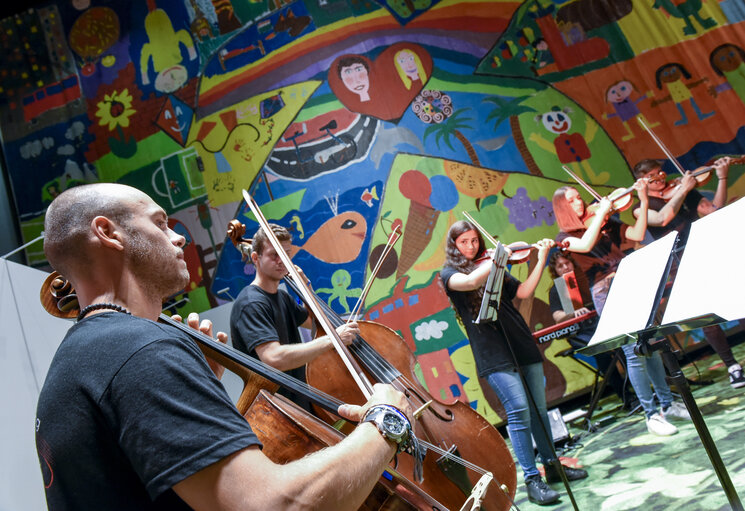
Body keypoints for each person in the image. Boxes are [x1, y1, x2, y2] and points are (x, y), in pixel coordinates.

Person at [35, 183, 414, 510]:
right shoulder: (138, 351)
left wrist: (197, 386)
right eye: (160, 222)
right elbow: (276, 505)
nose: (179, 236)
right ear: (108, 232)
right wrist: (385, 424)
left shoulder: (82, 359)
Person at [440, 221, 588, 506]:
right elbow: (471, 283)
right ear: (454, 246)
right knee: (519, 410)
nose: (471, 246)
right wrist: (499, 257)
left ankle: (554, 467)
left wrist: (541, 257)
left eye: (474, 240)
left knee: (539, 411)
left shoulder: (494, 267)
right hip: (492, 353)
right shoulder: (451, 274)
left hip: (520, 343)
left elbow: (523, 293)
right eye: (464, 242)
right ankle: (533, 479)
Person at [552, 183, 691, 437]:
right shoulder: (564, 238)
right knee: (633, 352)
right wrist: (602, 210)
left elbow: (637, 234)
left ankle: (667, 405)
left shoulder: (604, 222)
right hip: (606, 291)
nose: (580, 203)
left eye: (579, 198)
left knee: (651, 347)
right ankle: (651, 415)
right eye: (572, 201)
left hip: (629, 278)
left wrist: (642, 199)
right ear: (563, 208)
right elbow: (584, 245)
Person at [632, 157, 745, 388]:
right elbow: (663, 218)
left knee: (739, 300)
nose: (662, 178)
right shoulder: (642, 208)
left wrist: (722, 177)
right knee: (706, 316)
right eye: (654, 176)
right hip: (680, 262)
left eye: (662, 172)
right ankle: (732, 365)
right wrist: (683, 189)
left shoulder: (686, 191)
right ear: (644, 181)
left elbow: (713, 211)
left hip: (708, 250)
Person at [229, 223, 359, 410]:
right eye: (275, 255)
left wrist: (305, 287)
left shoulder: (282, 297)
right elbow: (273, 358)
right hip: (277, 411)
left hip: (300, 404)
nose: (282, 260)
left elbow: (315, 324)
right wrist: (335, 339)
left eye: (286, 254)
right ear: (256, 258)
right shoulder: (251, 303)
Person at [547, 252, 635, 408]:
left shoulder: (586, 278)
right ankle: (626, 397)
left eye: (567, 263)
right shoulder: (557, 289)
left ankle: (637, 389)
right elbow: (556, 316)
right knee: (603, 355)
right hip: (581, 333)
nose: (565, 267)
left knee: (624, 347)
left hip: (601, 324)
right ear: (555, 270)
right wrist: (572, 313)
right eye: (560, 266)